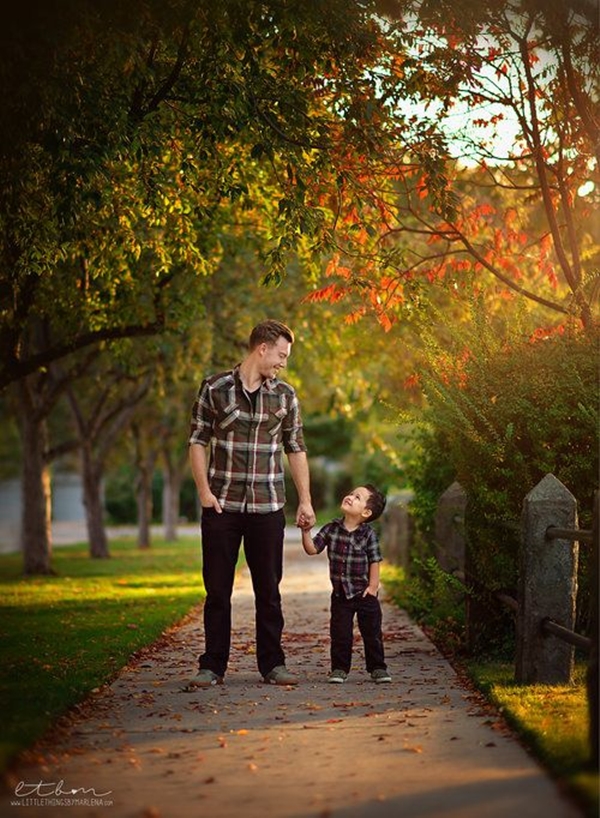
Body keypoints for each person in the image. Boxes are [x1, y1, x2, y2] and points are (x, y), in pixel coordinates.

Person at [188, 319, 315, 688]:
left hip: (268, 506)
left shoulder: (286, 396)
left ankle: (273, 665)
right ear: (262, 348)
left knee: (269, 591)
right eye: (281, 355)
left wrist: (304, 500)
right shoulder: (214, 388)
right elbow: (198, 441)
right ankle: (212, 666)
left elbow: (296, 448)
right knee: (217, 591)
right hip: (221, 507)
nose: (283, 363)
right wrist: (203, 492)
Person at [300, 484, 392, 684]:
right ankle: (339, 669)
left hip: (364, 594)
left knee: (372, 633)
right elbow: (312, 549)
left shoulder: (368, 535)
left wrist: (374, 587)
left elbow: (374, 560)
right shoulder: (331, 529)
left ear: (366, 512)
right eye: (351, 493)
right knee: (340, 634)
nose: (350, 497)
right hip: (341, 594)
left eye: (357, 497)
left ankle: (377, 667)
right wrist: (306, 532)